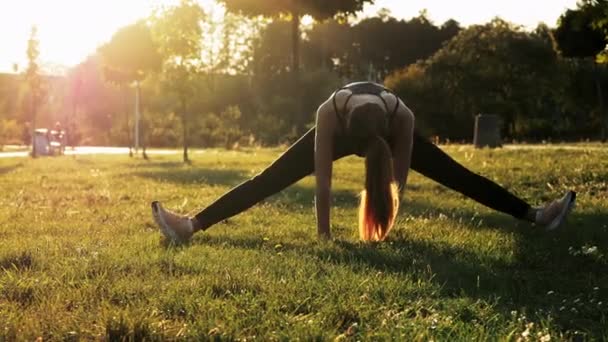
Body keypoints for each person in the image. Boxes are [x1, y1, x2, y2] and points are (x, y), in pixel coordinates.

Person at [151, 82, 576, 243]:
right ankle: (191, 225)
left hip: (391, 129)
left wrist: (386, 225)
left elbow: (399, 181)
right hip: (339, 124)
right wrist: (324, 237)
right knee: (271, 177)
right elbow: (322, 184)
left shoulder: (401, 117)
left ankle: (537, 216)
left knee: (458, 175)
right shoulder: (329, 114)